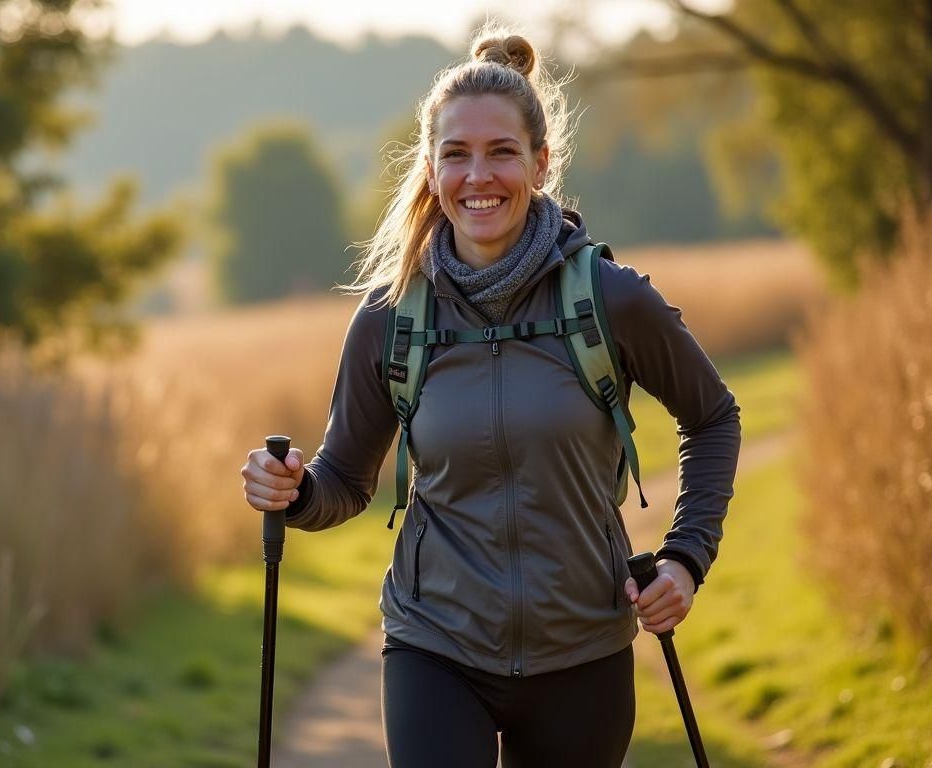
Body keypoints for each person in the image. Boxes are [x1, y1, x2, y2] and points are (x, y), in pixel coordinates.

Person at [239, 25, 740, 768]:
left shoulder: (609, 298)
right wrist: (293, 492)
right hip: (434, 645)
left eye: (502, 152)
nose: (479, 176)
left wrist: (684, 561)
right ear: (432, 168)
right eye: (457, 154)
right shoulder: (391, 318)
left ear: (539, 163)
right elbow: (344, 482)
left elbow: (713, 418)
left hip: (582, 651)